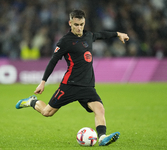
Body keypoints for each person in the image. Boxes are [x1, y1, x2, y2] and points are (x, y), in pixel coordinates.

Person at [15, 9, 129, 146]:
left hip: (87, 85)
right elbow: (53, 61)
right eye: (76, 24)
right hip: (69, 85)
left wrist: (118, 34)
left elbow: (102, 35)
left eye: (81, 24)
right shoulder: (65, 41)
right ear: (70, 23)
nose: (79, 27)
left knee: (99, 109)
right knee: (47, 112)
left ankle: (102, 137)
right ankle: (31, 101)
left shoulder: (88, 35)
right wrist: (43, 82)